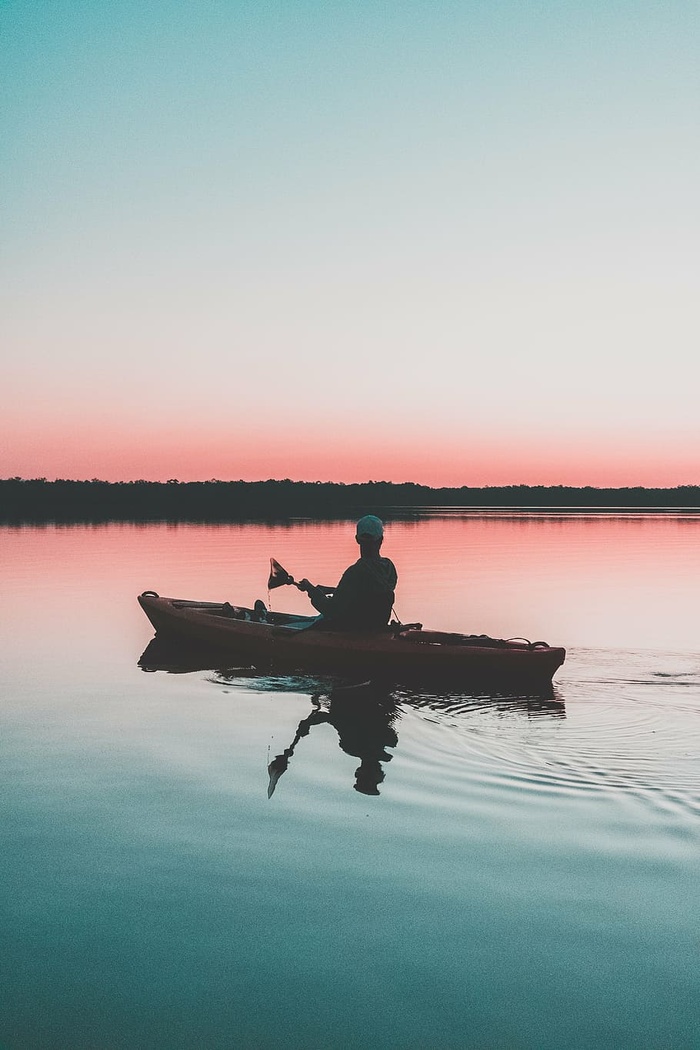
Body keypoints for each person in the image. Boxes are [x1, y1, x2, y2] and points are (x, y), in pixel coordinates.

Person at [297, 515, 397, 630]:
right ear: (381, 539)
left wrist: (311, 590)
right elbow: (367, 594)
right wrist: (331, 590)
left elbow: (331, 610)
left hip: (354, 632)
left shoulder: (355, 572)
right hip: (378, 627)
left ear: (357, 539)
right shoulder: (388, 568)